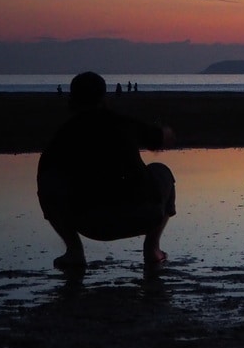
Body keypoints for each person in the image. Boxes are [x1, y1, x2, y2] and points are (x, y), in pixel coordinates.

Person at [36, 71, 176, 271]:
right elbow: (161, 139)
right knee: (162, 171)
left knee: (47, 179)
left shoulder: (64, 135)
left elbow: (46, 182)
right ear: (104, 97)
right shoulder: (121, 122)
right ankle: (152, 249)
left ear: (72, 99)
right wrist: (165, 132)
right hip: (142, 214)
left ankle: (74, 251)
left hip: (90, 221)